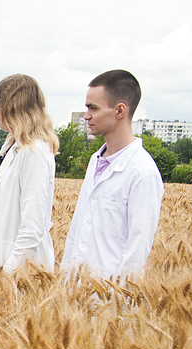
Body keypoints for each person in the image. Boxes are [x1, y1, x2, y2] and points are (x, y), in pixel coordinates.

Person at [59, 70, 164, 281]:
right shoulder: (94, 161)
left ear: (119, 111)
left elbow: (137, 249)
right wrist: (64, 280)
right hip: (74, 295)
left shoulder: (142, 172)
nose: (87, 115)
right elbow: (78, 228)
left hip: (108, 298)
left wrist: (118, 300)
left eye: (93, 108)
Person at [0, 74, 59, 272]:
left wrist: (7, 272)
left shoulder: (35, 151)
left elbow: (32, 226)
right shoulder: (11, 145)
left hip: (22, 271)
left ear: (15, 106)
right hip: (3, 263)